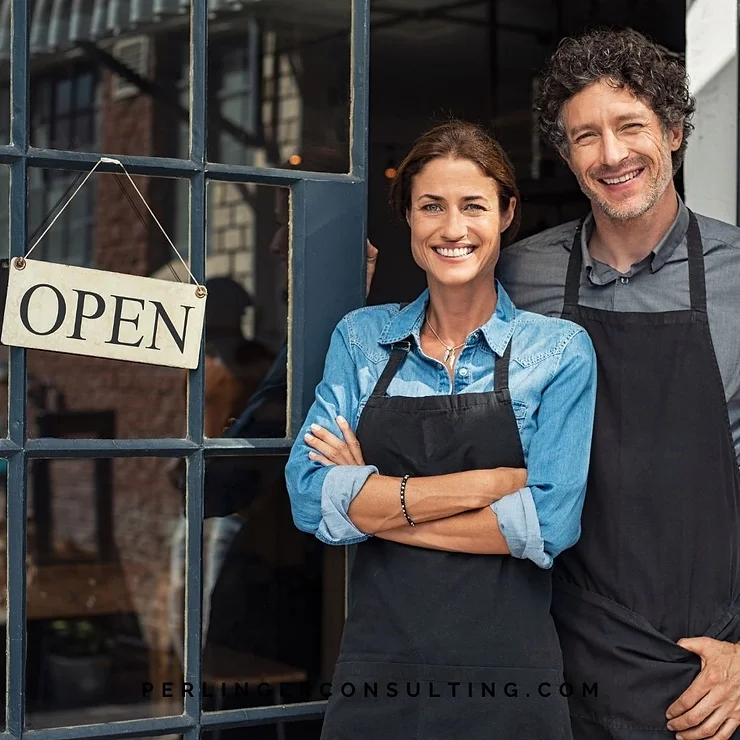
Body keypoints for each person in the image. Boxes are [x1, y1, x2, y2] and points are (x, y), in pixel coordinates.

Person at [285, 121, 597, 739]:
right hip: (379, 673)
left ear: (507, 213)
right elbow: (306, 496)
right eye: (431, 206)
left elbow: (550, 525)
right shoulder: (362, 339)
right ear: (408, 219)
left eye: (473, 206)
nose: (452, 229)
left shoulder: (558, 352)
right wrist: (490, 485)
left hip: (510, 681)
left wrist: (375, 506)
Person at [496, 27, 740, 740]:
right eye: (584, 136)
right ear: (566, 155)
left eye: (630, 126)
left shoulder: (737, 275)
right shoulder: (518, 276)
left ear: (673, 130)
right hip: (552, 647)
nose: (611, 155)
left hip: (704, 668)